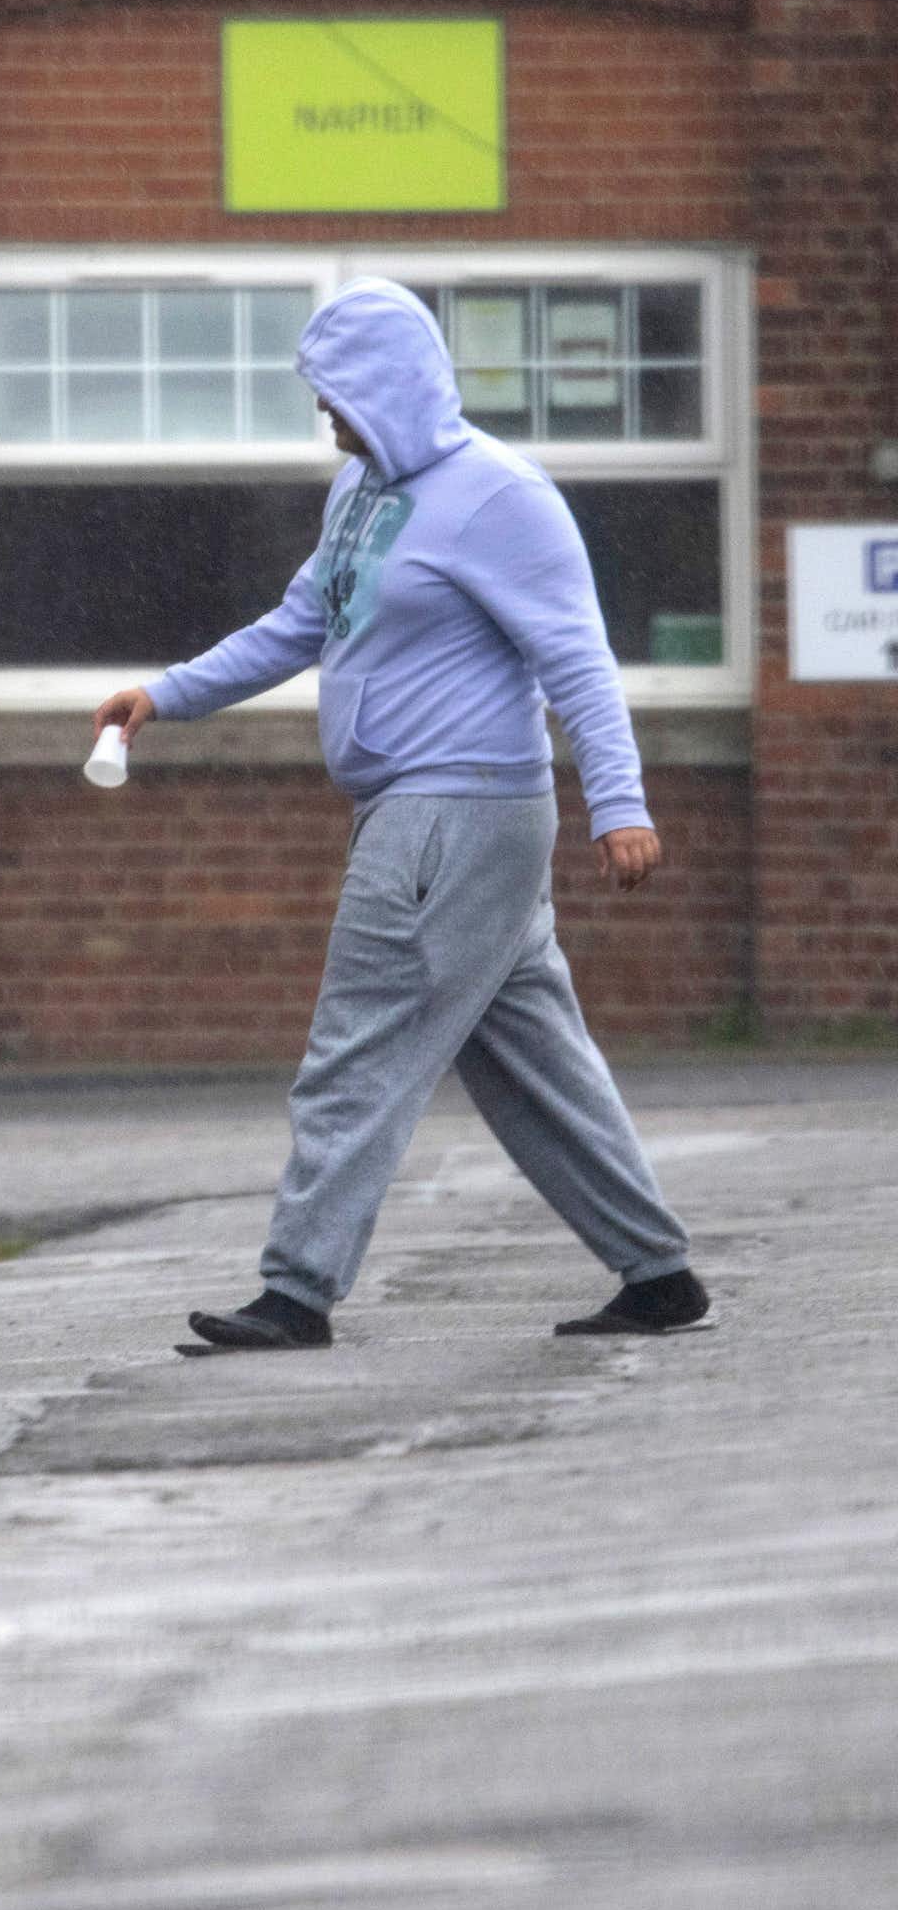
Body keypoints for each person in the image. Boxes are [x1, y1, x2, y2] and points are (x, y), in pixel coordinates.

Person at [95, 278, 707, 1351]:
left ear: (388, 386)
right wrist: (165, 695)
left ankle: (295, 1292)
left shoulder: (499, 496)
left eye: (336, 395)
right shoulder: (361, 493)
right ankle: (659, 1276)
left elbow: (576, 659)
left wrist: (620, 801)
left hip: (451, 815)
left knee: (357, 1047)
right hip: (426, 817)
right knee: (535, 1062)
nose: (325, 417)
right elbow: (299, 623)